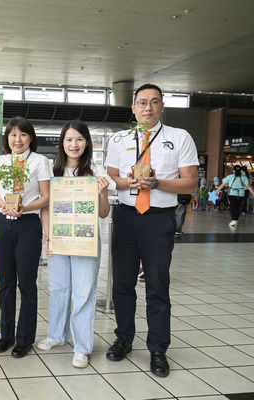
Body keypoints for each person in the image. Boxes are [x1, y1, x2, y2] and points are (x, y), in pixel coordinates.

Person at [105, 83, 198, 378]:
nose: (148, 108)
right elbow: (109, 177)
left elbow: (189, 183)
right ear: (133, 108)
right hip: (125, 216)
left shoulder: (179, 137)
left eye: (154, 102)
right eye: (142, 102)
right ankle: (123, 338)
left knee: (157, 285)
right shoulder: (118, 139)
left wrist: (157, 184)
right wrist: (127, 182)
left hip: (159, 219)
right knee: (122, 283)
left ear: (161, 107)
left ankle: (158, 348)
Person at [37, 120, 111, 368]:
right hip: (57, 240)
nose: (74, 144)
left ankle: (82, 347)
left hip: (85, 241)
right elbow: (44, 207)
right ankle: (57, 335)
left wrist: (102, 193)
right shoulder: (52, 171)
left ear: (87, 142)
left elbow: (103, 213)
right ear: (62, 143)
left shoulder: (96, 172)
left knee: (83, 291)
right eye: (69, 139)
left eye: (79, 139)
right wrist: (48, 236)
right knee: (58, 288)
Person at [0, 116, 52, 358]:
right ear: (7, 138)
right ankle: (7, 335)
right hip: (2, 223)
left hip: (28, 224)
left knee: (26, 283)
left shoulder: (40, 161)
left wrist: (25, 207)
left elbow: (46, 196)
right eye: (13, 135)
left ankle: (25, 339)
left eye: (23, 135)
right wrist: (4, 205)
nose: (18, 139)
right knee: (5, 282)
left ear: (31, 138)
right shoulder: (0, 161)